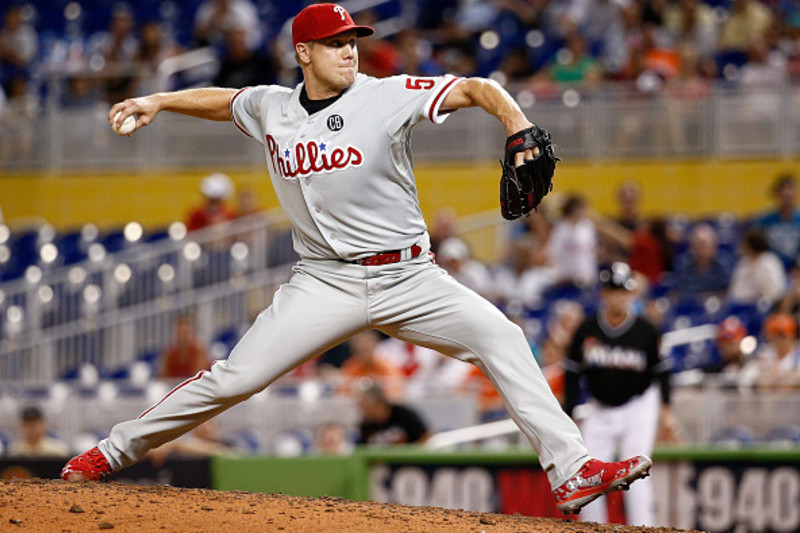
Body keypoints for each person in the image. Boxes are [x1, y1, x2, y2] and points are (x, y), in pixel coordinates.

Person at [62, 3, 651, 515]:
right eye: (336, 44)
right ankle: (112, 452)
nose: (349, 52)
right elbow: (226, 102)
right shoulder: (273, 106)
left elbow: (475, 87)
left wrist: (516, 120)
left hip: (410, 275)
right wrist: (158, 100)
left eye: (352, 41)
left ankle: (571, 470)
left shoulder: (386, 94)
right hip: (323, 283)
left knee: (501, 336)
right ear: (304, 53)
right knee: (235, 378)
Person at [563, 262, 677, 526]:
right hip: (599, 407)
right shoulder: (587, 330)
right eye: (613, 290)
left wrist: (667, 410)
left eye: (623, 291)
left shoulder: (646, 330)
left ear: (631, 294)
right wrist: (569, 413)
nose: (618, 296)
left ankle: (642, 528)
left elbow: (663, 372)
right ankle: (593, 529)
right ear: (603, 293)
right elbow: (572, 373)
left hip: (638, 406)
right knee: (588, 475)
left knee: (636, 472)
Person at [728, 227, 787, 306]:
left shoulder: (769, 263)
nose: (741, 246)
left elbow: (773, 294)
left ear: (750, 245)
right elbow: (734, 290)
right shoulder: (743, 262)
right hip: (739, 306)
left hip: (760, 307)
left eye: (744, 243)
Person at [754, 173, 800, 271]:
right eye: (784, 193)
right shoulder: (765, 221)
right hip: (772, 269)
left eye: (790, 192)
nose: (787, 195)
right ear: (777, 194)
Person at [357, 384, 430, 445]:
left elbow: (425, 437)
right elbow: (364, 449)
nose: (362, 410)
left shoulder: (403, 414)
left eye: (364, 406)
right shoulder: (366, 425)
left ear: (378, 403)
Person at [159, 313, 210, 379]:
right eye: (180, 333)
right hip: (174, 386)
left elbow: (198, 376)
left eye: (186, 333)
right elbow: (163, 377)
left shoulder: (199, 351)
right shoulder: (170, 352)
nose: (183, 337)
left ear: (192, 333)